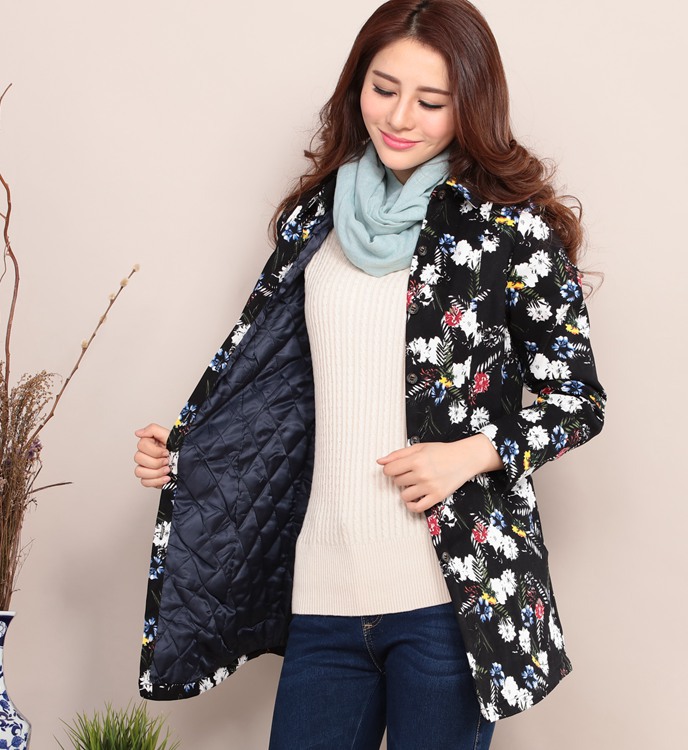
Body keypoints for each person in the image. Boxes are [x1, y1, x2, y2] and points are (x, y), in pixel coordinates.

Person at [133, 1, 606, 747]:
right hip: (323, 590)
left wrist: (469, 454)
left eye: (431, 101)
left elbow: (578, 400)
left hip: (445, 598)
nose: (400, 117)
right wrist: (193, 447)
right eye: (383, 89)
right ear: (358, 84)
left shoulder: (507, 229)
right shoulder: (316, 217)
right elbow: (285, 386)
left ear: (471, 105)